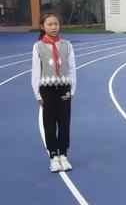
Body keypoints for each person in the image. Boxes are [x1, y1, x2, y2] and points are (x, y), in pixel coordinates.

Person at [31, 12, 76, 172]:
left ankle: (63, 154)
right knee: (49, 123)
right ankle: (53, 156)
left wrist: (72, 90)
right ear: (42, 27)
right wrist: (37, 94)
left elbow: (72, 69)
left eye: (56, 24)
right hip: (47, 90)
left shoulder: (67, 45)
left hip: (64, 88)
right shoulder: (38, 47)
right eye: (49, 24)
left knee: (64, 122)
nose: (53, 27)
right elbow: (36, 72)